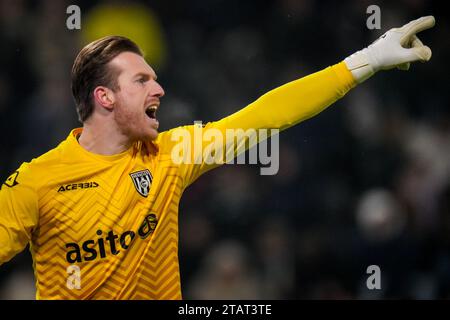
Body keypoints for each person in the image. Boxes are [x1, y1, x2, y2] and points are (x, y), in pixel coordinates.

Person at [0, 16, 435, 299]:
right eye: (141, 81)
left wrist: (368, 58)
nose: (159, 90)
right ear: (105, 97)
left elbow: (265, 115)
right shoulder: (37, 182)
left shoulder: (171, 154)